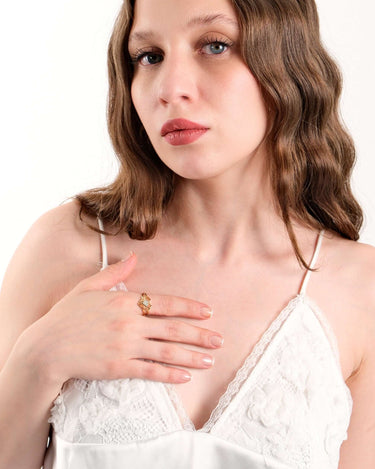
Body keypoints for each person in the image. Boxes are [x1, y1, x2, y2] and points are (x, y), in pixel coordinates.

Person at [0, 0, 374, 467]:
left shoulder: (361, 288)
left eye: (214, 46)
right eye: (149, 56)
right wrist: (38, 359)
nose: (170, 89)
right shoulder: (66, 247)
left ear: (287, 58)